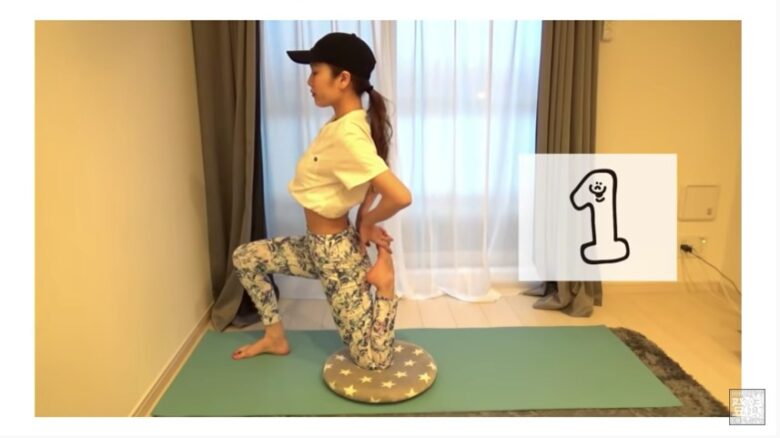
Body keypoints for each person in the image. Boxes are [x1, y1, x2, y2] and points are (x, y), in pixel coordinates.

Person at [230, 32, 412, 371]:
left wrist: (369, 221)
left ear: (343, 79)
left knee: (372, 361)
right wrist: (363, 220)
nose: (309, 81)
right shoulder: (340, 124)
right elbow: (365, 182)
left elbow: (400, 196)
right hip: (317, 247)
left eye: (315, 72)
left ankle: (386, 284)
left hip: (336, 257)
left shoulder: (348, 134)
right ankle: (275, 337)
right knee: (246, 258)